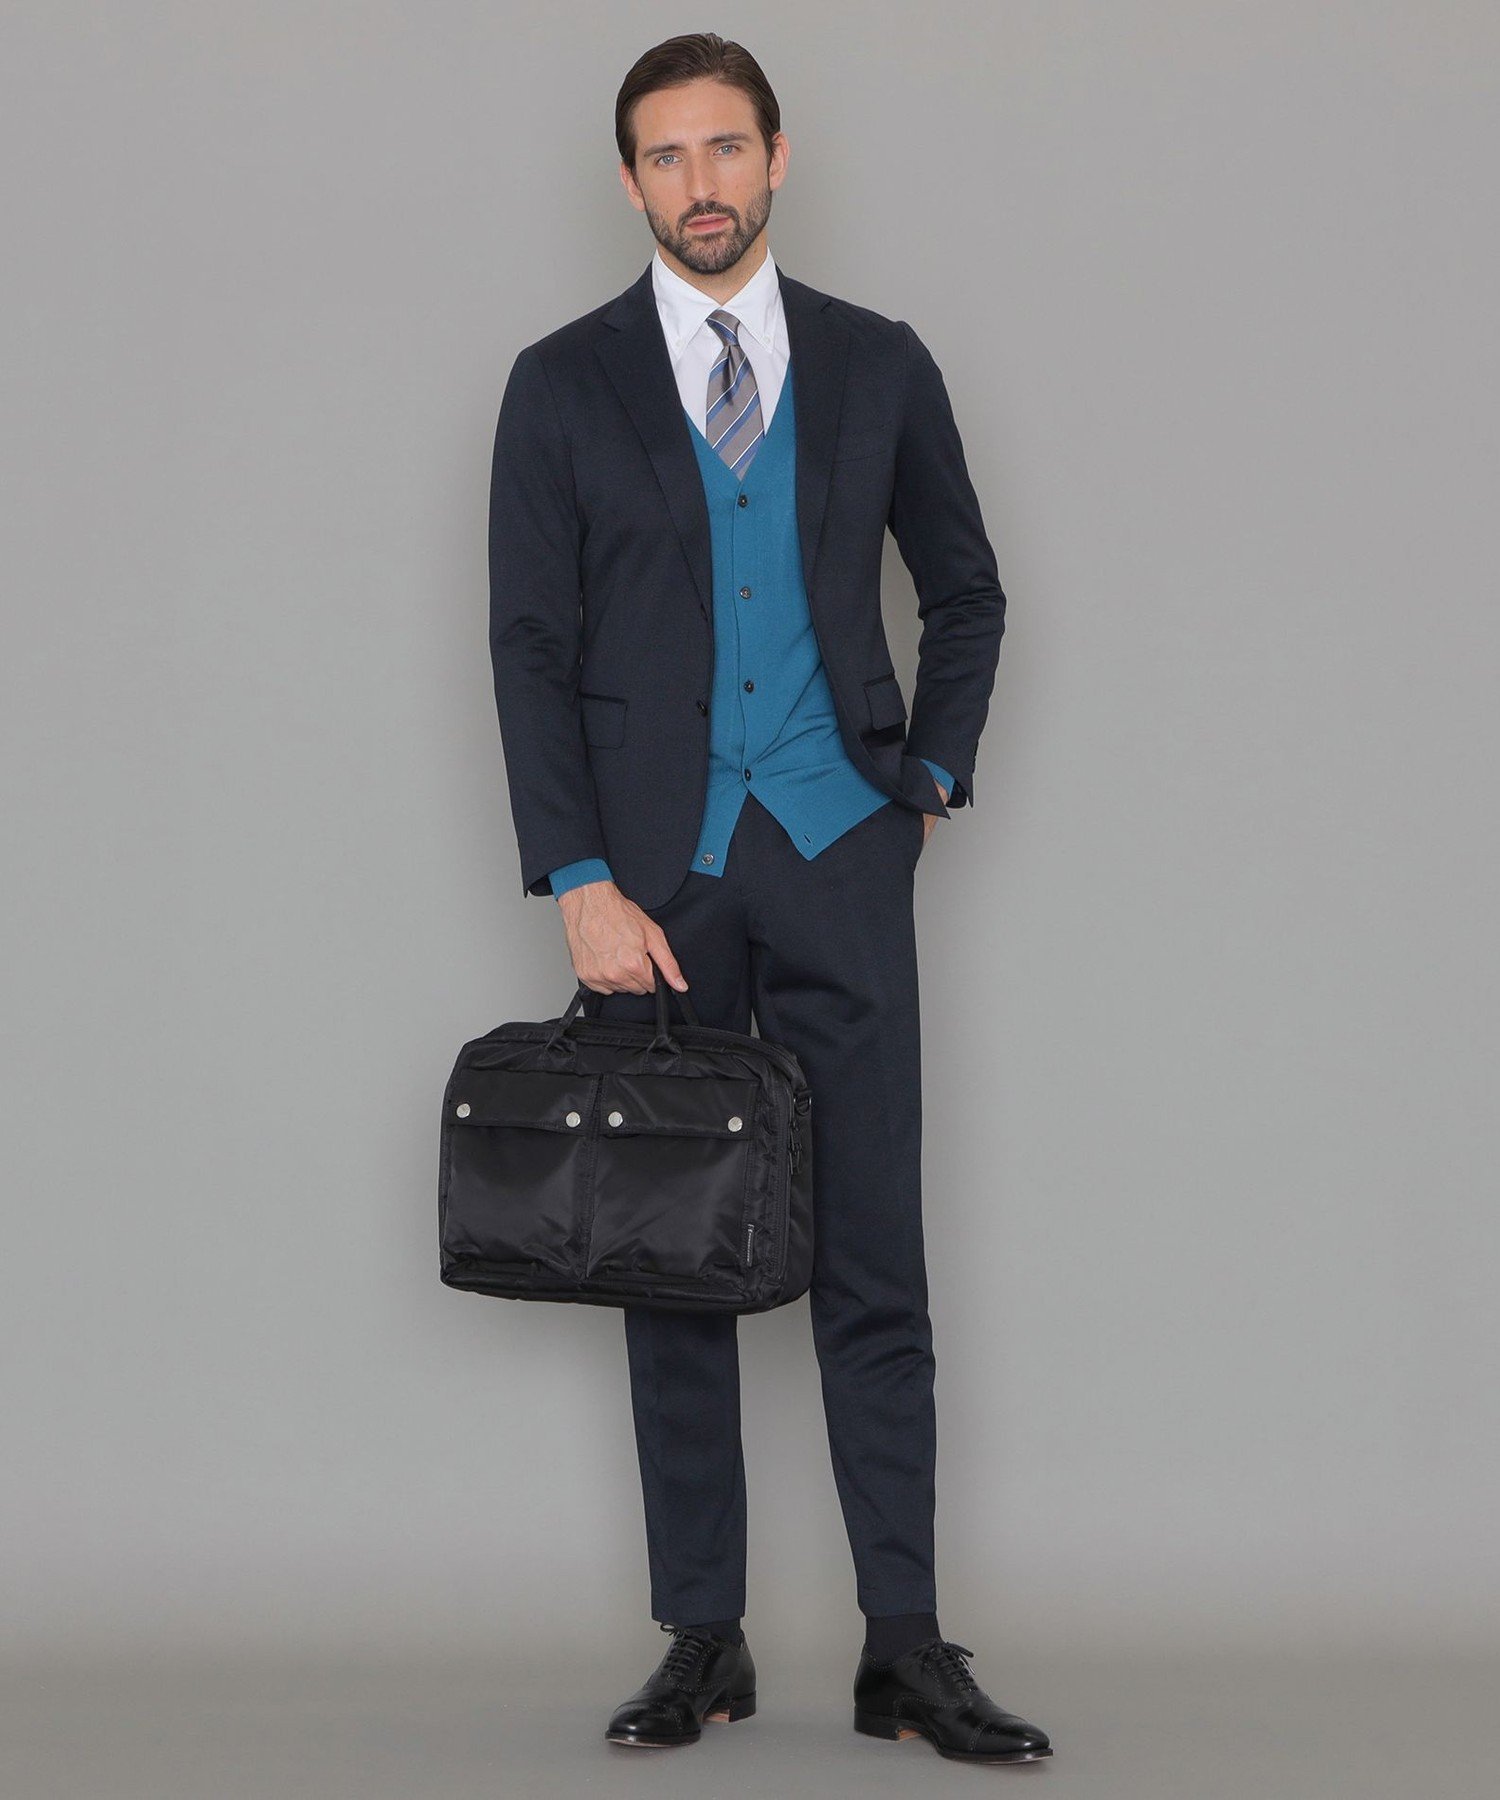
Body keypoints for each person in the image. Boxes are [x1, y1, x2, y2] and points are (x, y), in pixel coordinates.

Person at [487, 30, 1052, 1765]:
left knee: (877, 1257)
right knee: (673, 1268)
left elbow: (966, 590)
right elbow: (529, 646)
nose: (700, 183)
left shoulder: (878, 364)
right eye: (665, 157)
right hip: (654, 891)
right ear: (630, 182)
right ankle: (704, 1641)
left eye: (725, 147)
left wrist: (924, 783)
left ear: (778, 156)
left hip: (837, 862)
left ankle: (905, 1649)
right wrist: (580, 879)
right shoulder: (560, 384)